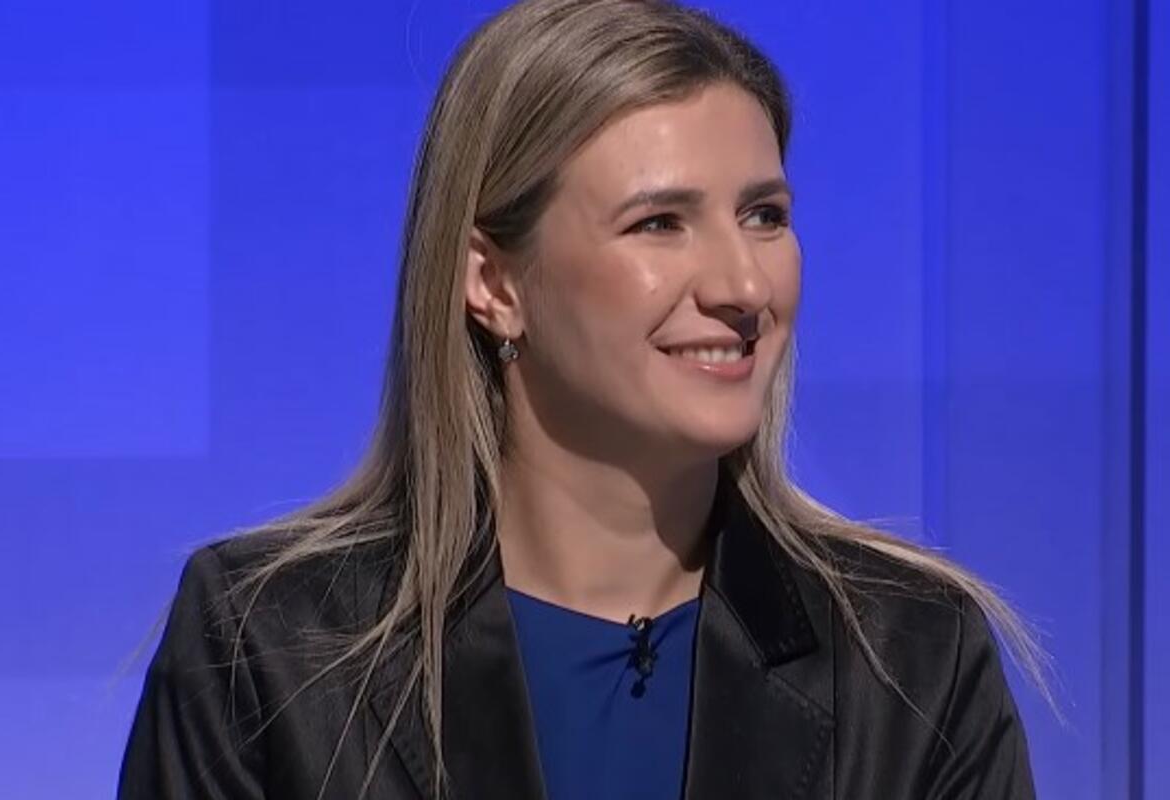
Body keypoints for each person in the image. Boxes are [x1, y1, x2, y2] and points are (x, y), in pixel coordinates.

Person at [118, 1, 1048, 798]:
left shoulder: (913, 660)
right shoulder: (269, 646)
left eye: (763, 215)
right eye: (660, 222)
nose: (743, 285)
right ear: (493, 282)